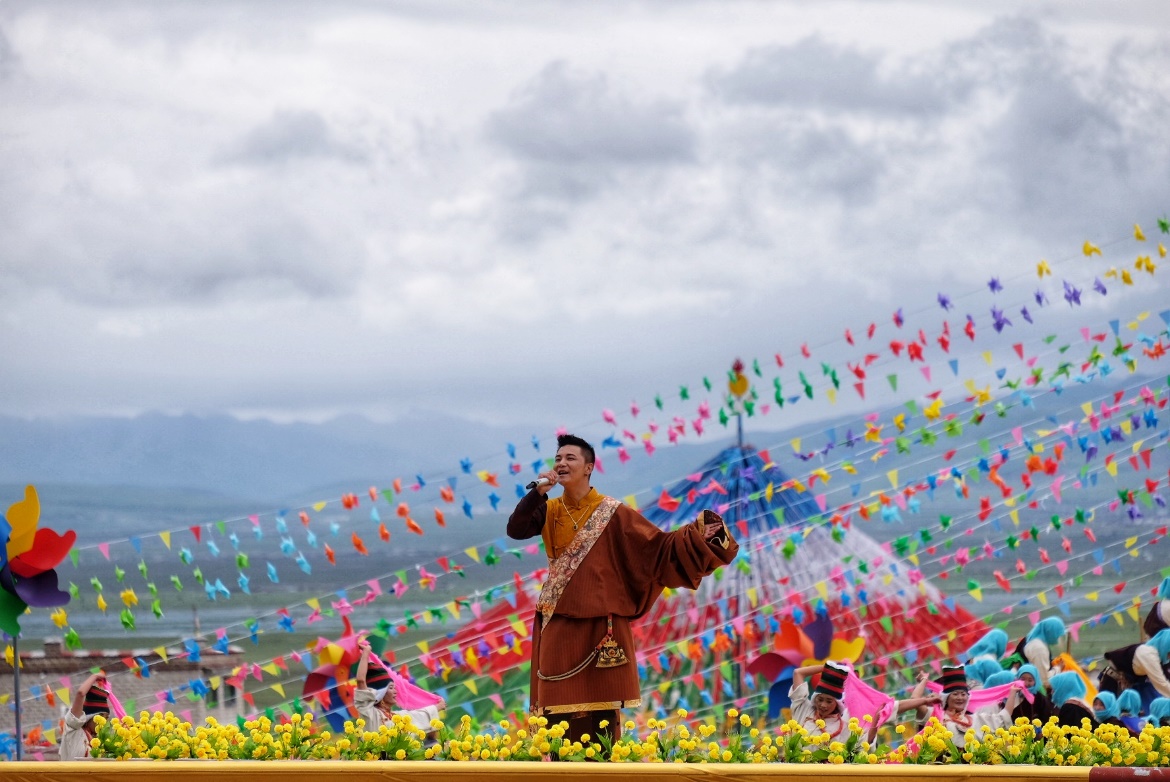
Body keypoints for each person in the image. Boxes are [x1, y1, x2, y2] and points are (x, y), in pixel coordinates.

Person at [507, 433, 738, 744]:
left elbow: (657, 549)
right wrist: (537, 494)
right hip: (559, 625)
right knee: (558, 720)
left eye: (569, 458)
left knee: (601, 719)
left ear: (588, 467)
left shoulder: (612, 512)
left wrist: (698, 536)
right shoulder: (549, 510)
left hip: (604, 630)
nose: (561, 463)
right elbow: (516, 529)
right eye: (558, 459)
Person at [355, 640, 444, 732]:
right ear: (380, 692)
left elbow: (416, 716)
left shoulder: (396, 717)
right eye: (390, 688)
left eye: (394, 687)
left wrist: (437, 706)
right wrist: (366, 652)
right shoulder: (369, 711)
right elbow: (361, 681)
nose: (395, 691)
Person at [923, 666, 1017, 749]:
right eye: (955, 694)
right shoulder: (937, 716)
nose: (960, 698)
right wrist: (923, 681)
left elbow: (1004, 716)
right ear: (946, 698)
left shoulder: (976, 719)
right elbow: (916, 702)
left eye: (963, 694)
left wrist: (1012, 692)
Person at [1099, 628, 1170, 711]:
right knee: (1107, 714)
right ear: (1165, 646)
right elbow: (1160, 683)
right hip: (1115, 683)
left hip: (1136, 686)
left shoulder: (1163, 656)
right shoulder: (1147, 654)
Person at [59, 672, 108, 761]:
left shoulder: (98, 740)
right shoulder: (74, 728)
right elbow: (80, 694)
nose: (105, 722)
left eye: (107, 718)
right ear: (93, 716)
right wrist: (95, 676)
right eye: (103, 717)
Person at [1007, 618, 1065, 691]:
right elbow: (1043, 680)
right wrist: (1058, 668)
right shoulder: (1039, 649)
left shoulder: (1031, 638)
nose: (1058, 638)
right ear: (1051, 632)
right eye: (1057, 635)